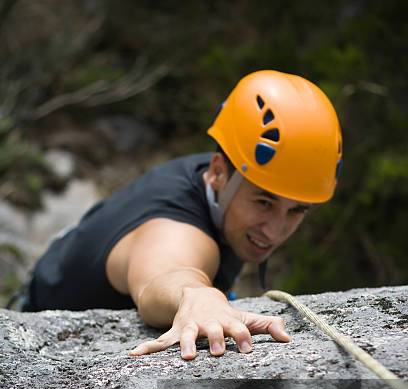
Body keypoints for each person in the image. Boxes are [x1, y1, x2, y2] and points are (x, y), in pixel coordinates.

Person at [17, 70, 343, 360]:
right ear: (219, 172)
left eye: (297, 210)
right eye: (264, 203)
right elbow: (165, 273)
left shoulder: (232, 167)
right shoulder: (177, 228)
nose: (275, 231)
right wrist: (199, 296)